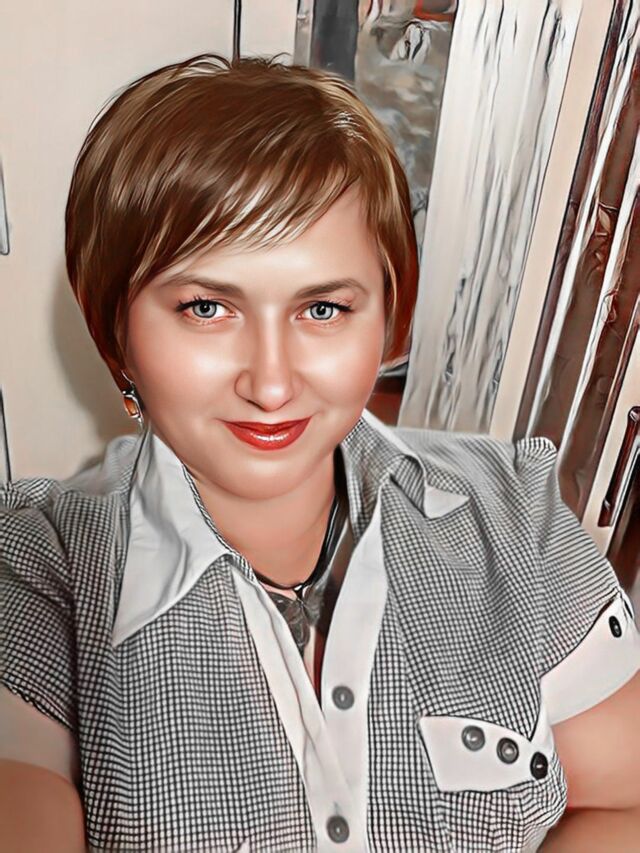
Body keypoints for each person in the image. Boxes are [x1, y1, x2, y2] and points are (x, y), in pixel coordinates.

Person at [1, 54, 639, 853]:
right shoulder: (42, 571)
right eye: (206, 307)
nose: (271, 383)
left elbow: (622, 802)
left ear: (389, 316)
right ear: (116, 335)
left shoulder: (517, 514)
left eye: (324, 308)